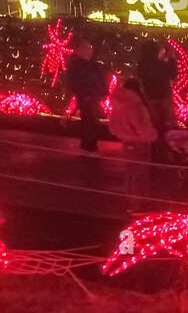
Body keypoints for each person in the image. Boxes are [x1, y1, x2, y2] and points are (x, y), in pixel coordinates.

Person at [107, 77, 158, 205]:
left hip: (126, 142)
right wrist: (153, 135)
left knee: (130, 172)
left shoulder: (119, 104)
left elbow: (112, 125)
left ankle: (130, 200)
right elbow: (143, 127)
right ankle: (139, 203)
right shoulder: (136, 106)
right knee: (140, 174)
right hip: (140, 143)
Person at [64, 38, 110, 153]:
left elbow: (98, 79)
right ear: (79, 50)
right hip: (88, 98)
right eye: (87, 48)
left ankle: (89, 146)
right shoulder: (77, 65)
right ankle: (88, 147)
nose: (90, 51)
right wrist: (85, 95)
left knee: (92, 122)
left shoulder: (90, 65)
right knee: (89, 122)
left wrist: (102, 92)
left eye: (90, 48)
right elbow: (74, 82)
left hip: (93, 97)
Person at [136, 40, 178, 160]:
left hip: (150, 98)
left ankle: (154, 152)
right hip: (162, 99)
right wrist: (171, 59)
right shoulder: (159, 65)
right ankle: (164, 152)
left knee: (154, 126)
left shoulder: (142, 65)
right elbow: (172, 75)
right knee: (165, 126)